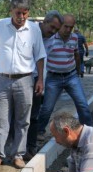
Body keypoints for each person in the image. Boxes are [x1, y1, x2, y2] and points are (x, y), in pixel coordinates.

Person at [0, 0, 46, 169]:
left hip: (25, 80)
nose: (21, 17)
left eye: (25, 13)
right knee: (0, 120)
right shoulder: (0, 25)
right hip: (2, 79)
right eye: (18, 12)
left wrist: (40, 78)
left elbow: (40, 55)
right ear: (11, 10)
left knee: (22, 120)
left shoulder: (34, 29)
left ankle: (18, 155)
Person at [37, 14, 93, 139]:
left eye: (71, 27)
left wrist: (78, 71)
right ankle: (39, 130)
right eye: (66, 27)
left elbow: (76, 54)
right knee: (47, 108)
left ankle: (89, 131)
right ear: (60, 26)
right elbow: (41, 58)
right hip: (53, 78)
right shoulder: (50, 39)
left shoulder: (74, 38)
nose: (68, 30)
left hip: (71, 76)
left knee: (82, 104)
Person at [23, 10, 64, 161]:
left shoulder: (53, 40)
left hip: (38, 81)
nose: (52, 31)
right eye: (51, 27)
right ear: (44, 22)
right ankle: (16, 149)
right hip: (23, 78)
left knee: (34, 117)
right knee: (20, 117)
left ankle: (30, 148)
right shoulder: (29, 31)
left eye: (56, 30)